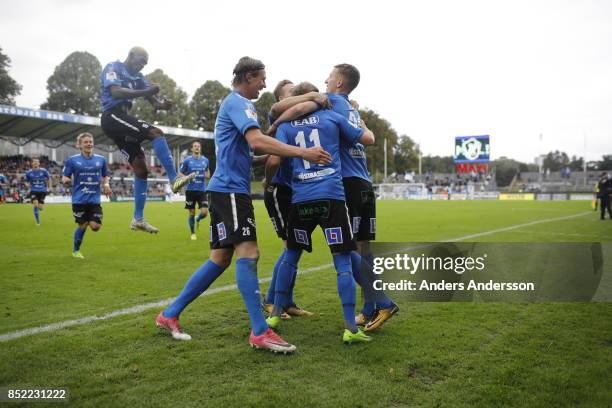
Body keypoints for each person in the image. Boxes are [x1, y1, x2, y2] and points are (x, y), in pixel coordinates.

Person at [155, 57, 331, 353]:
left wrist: (278, 155)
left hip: (224, 190)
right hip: (231, 193)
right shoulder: (240, 103)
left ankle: (169, 314)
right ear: (248, 77)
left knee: (220, 259)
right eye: (262, 78)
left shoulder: (234, 104)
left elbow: (246, 153)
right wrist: (304, 152)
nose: (265, 84)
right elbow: (257, 141)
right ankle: (260, 332)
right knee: (249, 252)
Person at [265, 81, 375, 344]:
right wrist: (356, 115)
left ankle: (275, 315)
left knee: (291, 257)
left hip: (301, 198)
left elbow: (275, 159)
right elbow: (363, 139)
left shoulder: (285, 126)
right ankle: (350, 327)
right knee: (342, 264)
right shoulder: (333, 117)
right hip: (332, 198)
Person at [325, 63, 398, 331]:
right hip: (365, 183)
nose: (326, 81)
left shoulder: (332, 102)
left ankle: (383, 302)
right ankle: (369, 310)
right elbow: (367, 135)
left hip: (348, 184)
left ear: (339, 84)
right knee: (364, 250)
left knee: (348, 248)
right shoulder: (354, 111)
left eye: (330, 77)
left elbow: (297, 103)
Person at [100, 46, 194, 233]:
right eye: (141, 61)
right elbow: (116, 92)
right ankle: (174, 177)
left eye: (145, 63)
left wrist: (162, 105)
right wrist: (147, 91)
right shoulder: (113, 67)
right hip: (112, 116)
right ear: (131, 55)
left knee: (141, 169)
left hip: (121, 120)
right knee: (156, 133)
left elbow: (154, 102)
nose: (142, 65)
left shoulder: (139, 78)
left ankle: (138, 219)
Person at [261, 79, 330, 319]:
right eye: (291, 93)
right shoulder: (279, 119)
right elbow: (273, 160)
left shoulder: (301, 119)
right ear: (282, 100)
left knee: (296, 248)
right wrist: (268, 183)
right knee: (290, 247)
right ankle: (272, 300)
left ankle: (286, 301)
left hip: (297, 190)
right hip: (280, 189)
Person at [62, 133, 112, 258]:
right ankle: (76, 251)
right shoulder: (72, 160)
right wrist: (66, 180)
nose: (89, 144)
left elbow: (106, 175)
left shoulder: (101, 160)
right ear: (79, 145)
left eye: (90, 141)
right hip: (79, 199)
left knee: (96, 227)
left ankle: (89, 220)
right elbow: (65, 176)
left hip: (94, 199)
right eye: (86, 142)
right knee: (83, 226)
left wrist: (106, 185)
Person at [179, 140, 210, 240]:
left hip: (202, 190)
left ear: (200, 148)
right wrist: (188, 177)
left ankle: (198, 218)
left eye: (198, 146)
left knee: (205, 212)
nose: (197, 148)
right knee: (191, 212)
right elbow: (180, 173)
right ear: (192, 149)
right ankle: (193, 233)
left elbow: (208, 174)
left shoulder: (205, 160)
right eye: (195, 146)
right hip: (190, 191)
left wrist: (206, 175)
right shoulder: (187, 160)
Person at [25, 158, 51, 225]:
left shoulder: (44, 171)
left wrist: (50, 187)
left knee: (40, 208)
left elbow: (49, 178)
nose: (36, 163)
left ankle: (39, 205)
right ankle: (38, 222)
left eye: (37, 162)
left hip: (42, 191)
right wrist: (27, 185)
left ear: (39, 163)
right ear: (32, 164)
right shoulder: (29, 172)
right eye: (34, 162)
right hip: (33, 191)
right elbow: (26, 181)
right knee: (35, 204)